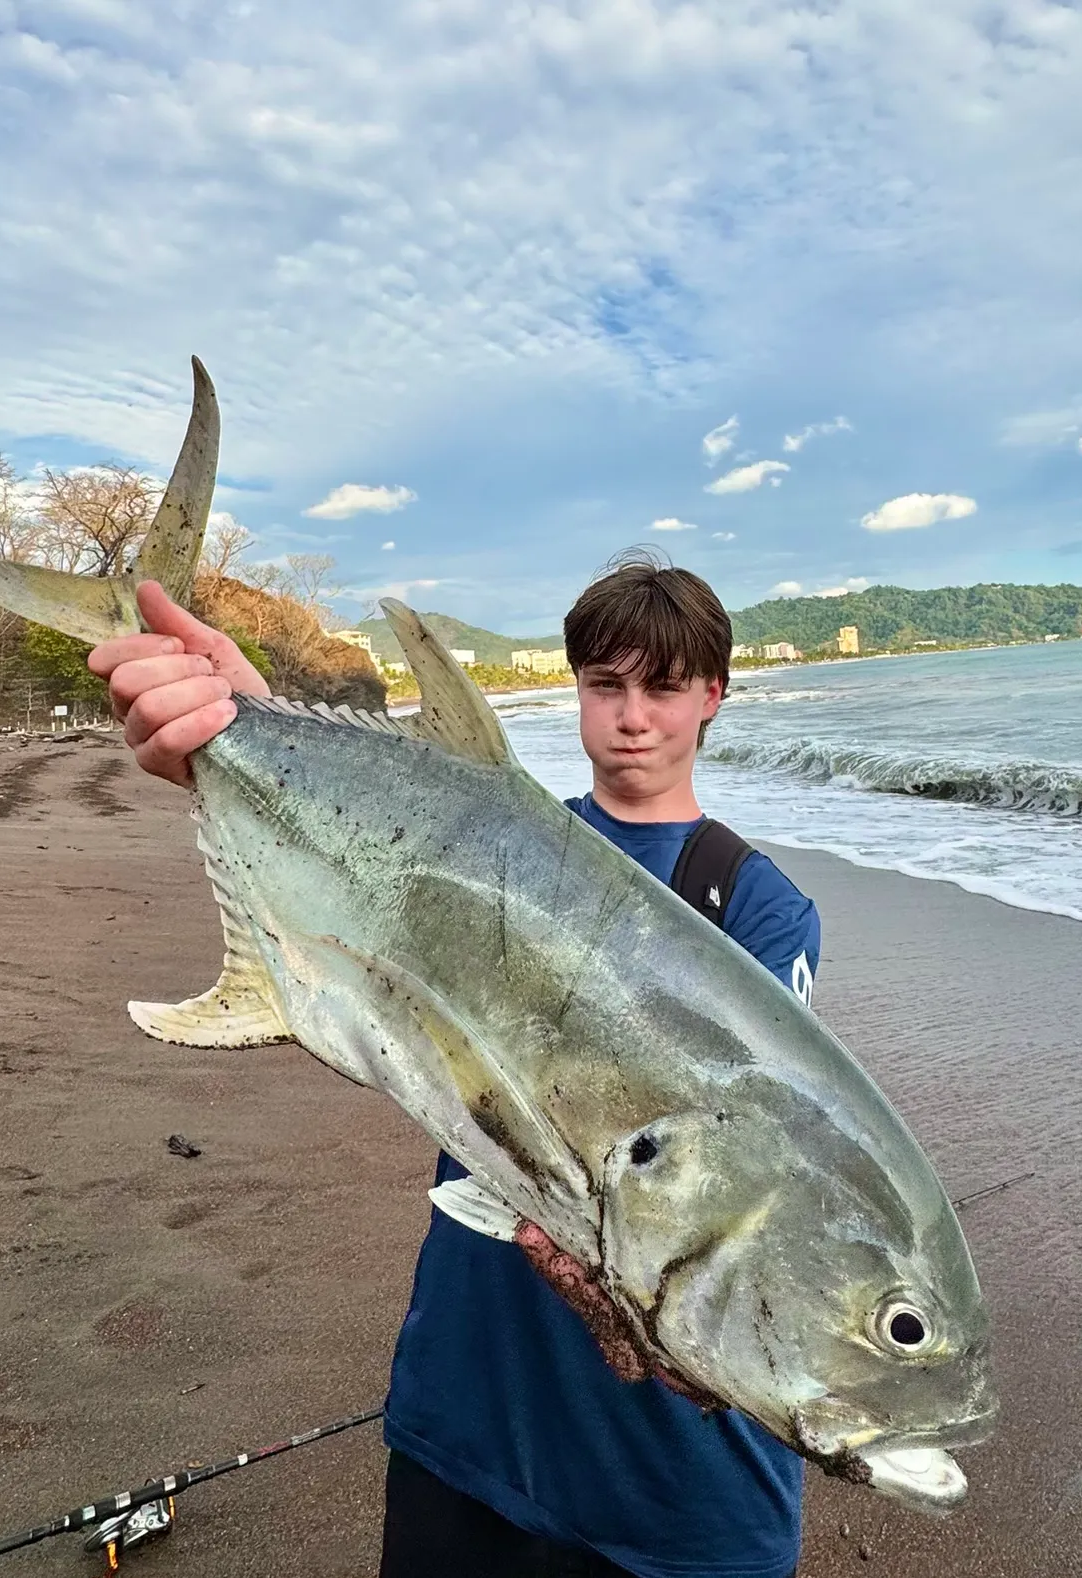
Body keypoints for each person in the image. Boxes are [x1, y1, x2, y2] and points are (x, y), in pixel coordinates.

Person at [90, 552, 821, 1578]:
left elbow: (752, 1171)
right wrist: (243, 731)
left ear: (713, 696)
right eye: (605, 684)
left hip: (669, 1481)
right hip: (470, 1408)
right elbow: (372, 942)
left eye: (662, 687)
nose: (634, 717)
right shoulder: (488, 838)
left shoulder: (750, 905)